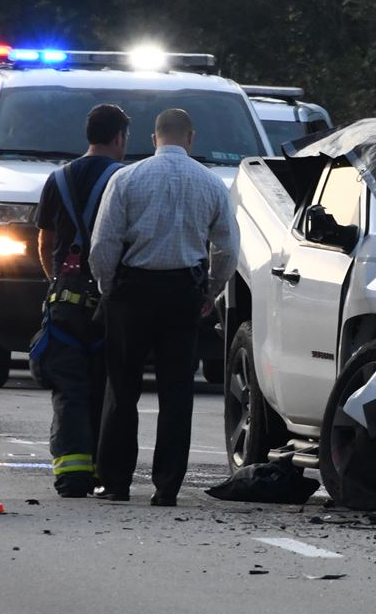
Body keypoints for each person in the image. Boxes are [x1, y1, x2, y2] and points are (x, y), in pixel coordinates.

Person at [89, 108, 239, 506]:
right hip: (182, 293)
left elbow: (103, 244)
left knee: (122, 389)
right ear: (190, 139)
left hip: (131, 291)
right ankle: (167, 486)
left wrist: (109, 287)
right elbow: (227, 247)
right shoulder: (211, 183)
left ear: (154, 138)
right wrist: (211, 289)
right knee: (176, 393)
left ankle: (117, 482)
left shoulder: (126, 178)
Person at [33, 103, 129, 498]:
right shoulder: (124, 179)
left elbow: (44, 241)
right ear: (120, 137)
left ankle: (73, 474)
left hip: (64, 301)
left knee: (69, 387)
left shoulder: (57, 179)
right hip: (110, 302)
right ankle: (103, 469)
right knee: (106, 385)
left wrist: (57, 282)